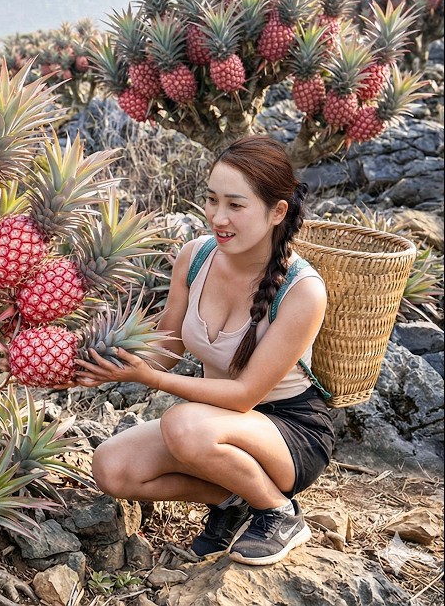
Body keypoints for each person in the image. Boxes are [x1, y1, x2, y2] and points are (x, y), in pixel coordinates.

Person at [77, 135, 334, 566]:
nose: (218, 217)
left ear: (277, 212)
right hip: (217, 423)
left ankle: (278, 511)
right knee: (112, 467)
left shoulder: (303, 291)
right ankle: (235, 500)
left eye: (236, 205)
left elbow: (245, 396)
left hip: (289, 432)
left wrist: (148, 378)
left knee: (183, 425)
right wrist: (106, 356)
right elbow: (168, 347)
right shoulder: (195, 257)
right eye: (212, 200)